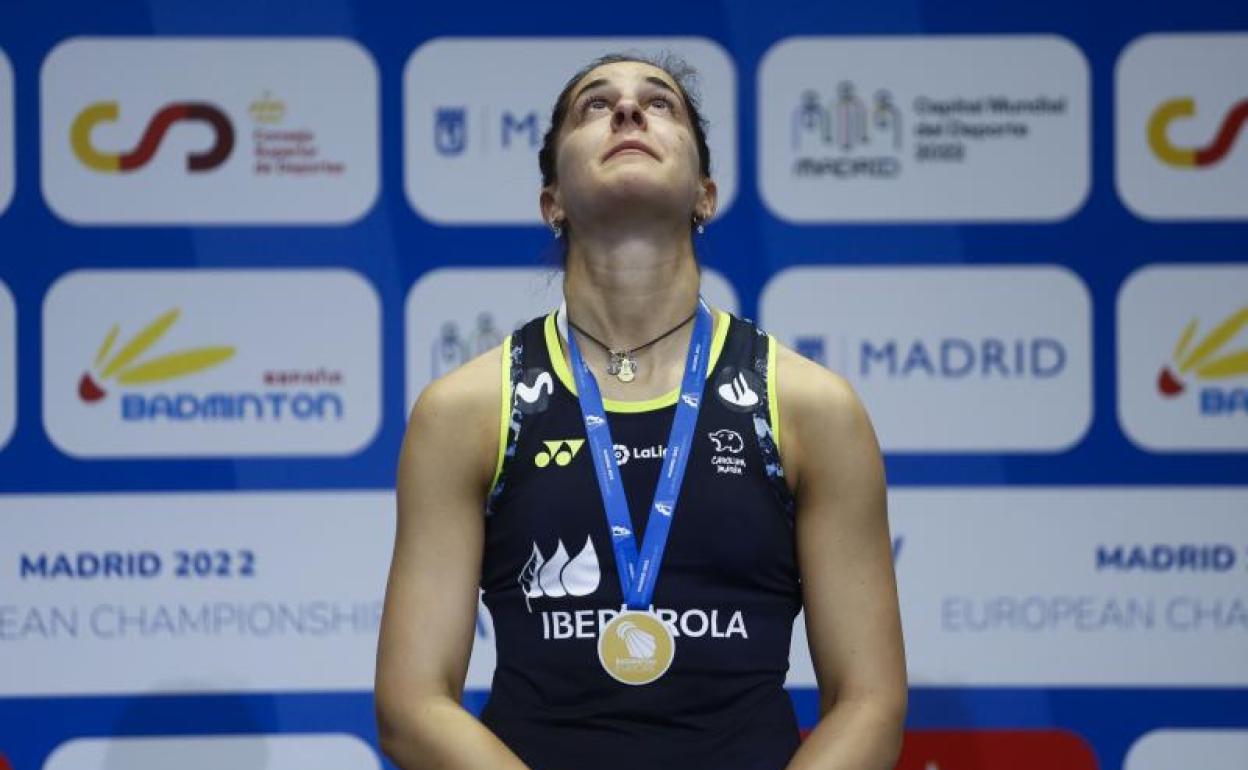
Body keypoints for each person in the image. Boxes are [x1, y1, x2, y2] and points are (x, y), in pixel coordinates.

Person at [375, 53, 906, 770]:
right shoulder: (468, 409)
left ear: (705, 194)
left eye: (660, 104)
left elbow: (869, 703)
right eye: (595, 105)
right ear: (552, 199)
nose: (627, 112)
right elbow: (412, 706)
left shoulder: (810, 406)